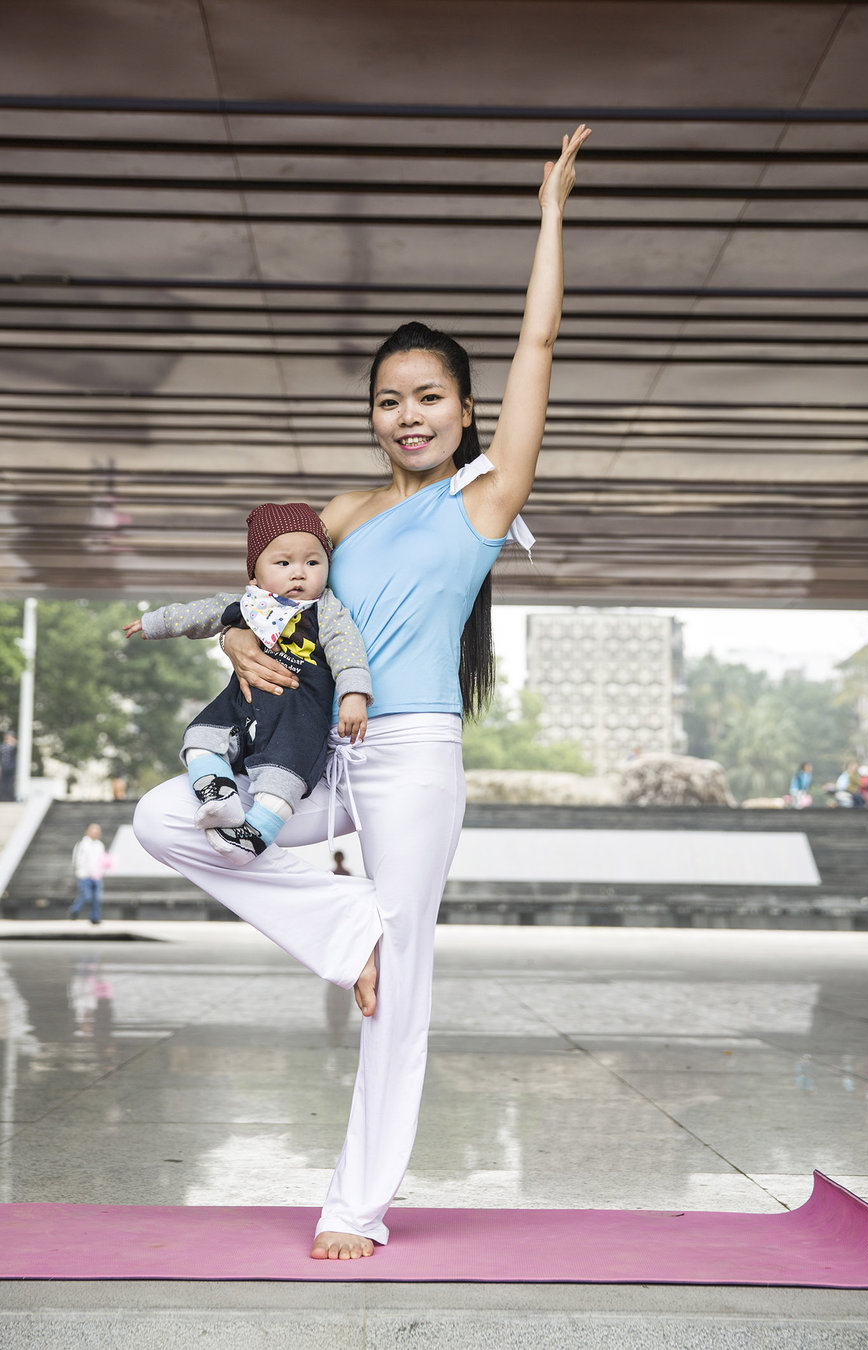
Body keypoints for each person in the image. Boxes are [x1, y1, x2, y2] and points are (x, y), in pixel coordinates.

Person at [132, 124, 591, 1260]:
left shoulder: (481, 501)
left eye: (430, 397)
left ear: (466, 411)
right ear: (372, 412)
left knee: (406, 986)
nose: (409, 415)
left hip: (412, 756)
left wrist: (550, 211)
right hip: (315, 751)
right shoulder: (339, 513)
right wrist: (237, 640)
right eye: (390, 399)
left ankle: (357, 1202)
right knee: (161, 819)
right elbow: (267, 598)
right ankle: (347, 928)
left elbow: (539, 341)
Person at [124, 502, 371, 862]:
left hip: (297, 716)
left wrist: (353, 694)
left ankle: (252, 838)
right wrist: (153, 623)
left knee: (282, 777)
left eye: (312, 562)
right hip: (240, 705)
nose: (299, 574)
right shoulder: (247, 605)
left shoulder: (327, 611)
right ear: (254, 575)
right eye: (283, 563)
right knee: (200, 736)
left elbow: (348, 650)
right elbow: (197, 614)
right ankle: (219, 794)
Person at [69, 823, 106, 924]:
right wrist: (80, 872)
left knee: (96, 898)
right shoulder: (82, 844)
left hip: (97, 876)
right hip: (84, 875)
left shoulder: (100, 845)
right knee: (86, 895)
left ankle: (95, 917)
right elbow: (76, 860)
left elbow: (101, 860)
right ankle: (74, 910)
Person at [0, 731, 17, 800]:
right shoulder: (2, 747)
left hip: (11, 767)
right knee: (3, 783)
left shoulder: (13, 746)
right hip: (4, 767)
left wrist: (14, 743)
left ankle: (10, 797)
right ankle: (3, 797)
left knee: (10, 783)